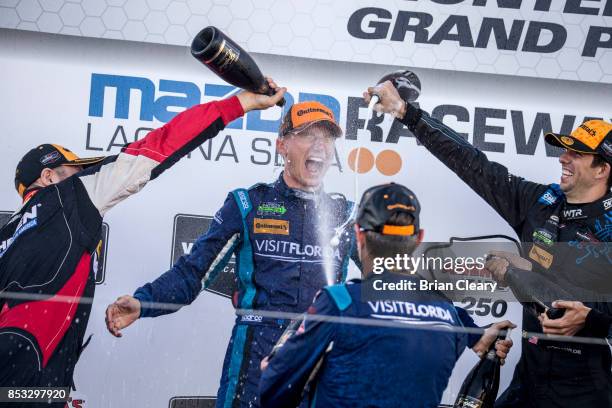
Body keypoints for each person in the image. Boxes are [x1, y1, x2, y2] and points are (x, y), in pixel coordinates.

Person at [0, 80, 285, 404]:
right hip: (28, 380)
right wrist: (242, 103)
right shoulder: (69, 198)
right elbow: (157, 147)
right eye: (72, 170)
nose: (80, 176)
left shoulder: (6, 235)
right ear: (49, 177)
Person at [365, 80, 612, 407]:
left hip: (584, 392)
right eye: (565, 149)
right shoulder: (540, 203)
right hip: (529, 383)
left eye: (577, 153)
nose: (564, 158)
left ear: (602, 170)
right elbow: (472, 163)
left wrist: (592, 319)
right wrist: (406, 112)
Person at [105, 100, 361, 408]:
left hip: (321, 349)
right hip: (257, 349)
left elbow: (388, 276)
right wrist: (143, 302)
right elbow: (192, 273)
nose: (320, 145)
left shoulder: (346, 214)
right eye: (308, 134)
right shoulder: (247, 204)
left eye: (327, 137)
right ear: (282, 145)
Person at [259, 182, 515, 408]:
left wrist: (275, 370)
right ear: (419, 239)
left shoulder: (340, 301)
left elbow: (276, 392)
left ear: (359, 234)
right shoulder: (448, 315)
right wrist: (480, 337)